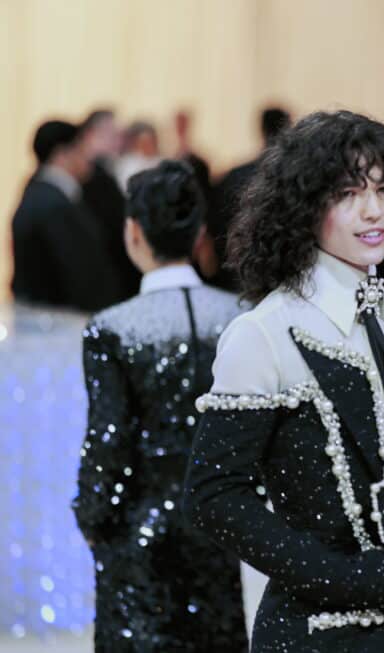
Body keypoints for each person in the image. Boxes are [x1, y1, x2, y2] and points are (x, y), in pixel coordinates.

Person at [183, 110, 384, 652]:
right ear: (304, 209)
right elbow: (214, 495)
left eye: (382, 190)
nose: (373, 212)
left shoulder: (382, 310)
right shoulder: (265, 332)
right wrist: (346, 579)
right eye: (347, 193)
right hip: (315, 635)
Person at [72, 160, 247, 651]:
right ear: (198, 234)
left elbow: (108, 437)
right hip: (226, 530)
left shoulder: (113, 327)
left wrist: (92, 517)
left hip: (140, 532)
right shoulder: (240, 315)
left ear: (133, 232)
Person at [11, 120, 120, 311]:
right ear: (62, 154)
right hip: (58, 323)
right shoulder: (53, 205)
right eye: (82, 148)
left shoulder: (44, 194)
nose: (89, 157)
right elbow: (80, 275)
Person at [205, 106, 292, 291]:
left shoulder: (235, 175)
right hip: (288, 274)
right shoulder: (301, 178)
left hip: (238, 272)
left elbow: (216, 224)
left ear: (261, 129)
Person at [79, 109, 142, 301]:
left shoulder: (107, 171)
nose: (118, 142)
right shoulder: (92, 177)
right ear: (91, 135)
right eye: (112, 135)